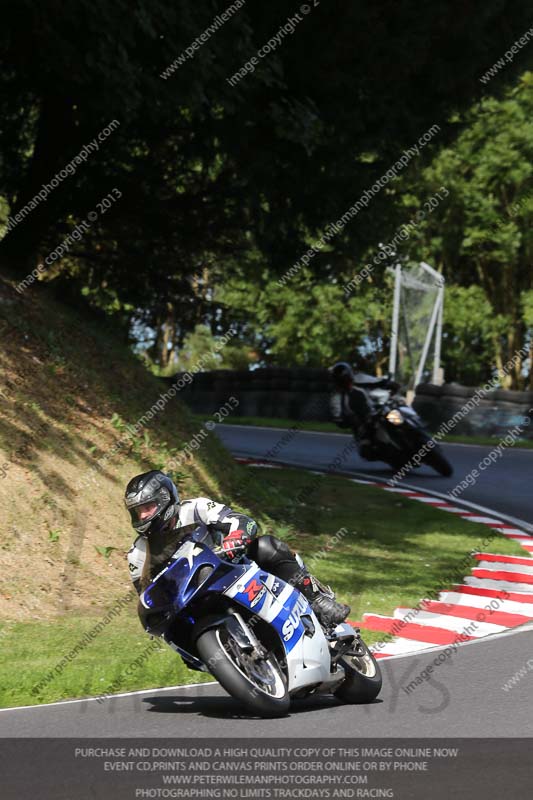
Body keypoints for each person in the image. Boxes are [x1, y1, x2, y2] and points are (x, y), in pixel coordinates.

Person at [125, 470, 350, 628]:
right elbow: (147, 596)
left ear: (164, 499)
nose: (143, 516)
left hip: (231, 570)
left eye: (147, 507)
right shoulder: (137, 554)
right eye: (138, 511)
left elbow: (244, 522)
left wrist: (234, 539)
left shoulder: (196, 508)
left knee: (266, 546)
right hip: (191, 600)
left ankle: (318, 600)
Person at [329, 361, 401, 452]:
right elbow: (338, 416)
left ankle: (410, 431)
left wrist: (388, 383)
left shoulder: (360, 379)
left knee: (397, 415)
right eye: (342, 381)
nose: (346, 382)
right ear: (337, 382)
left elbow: (376, 381)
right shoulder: (337, 397)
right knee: (366, 447)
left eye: (347, 378)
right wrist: (349, 420)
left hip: (378, 411)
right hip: (362, 424)